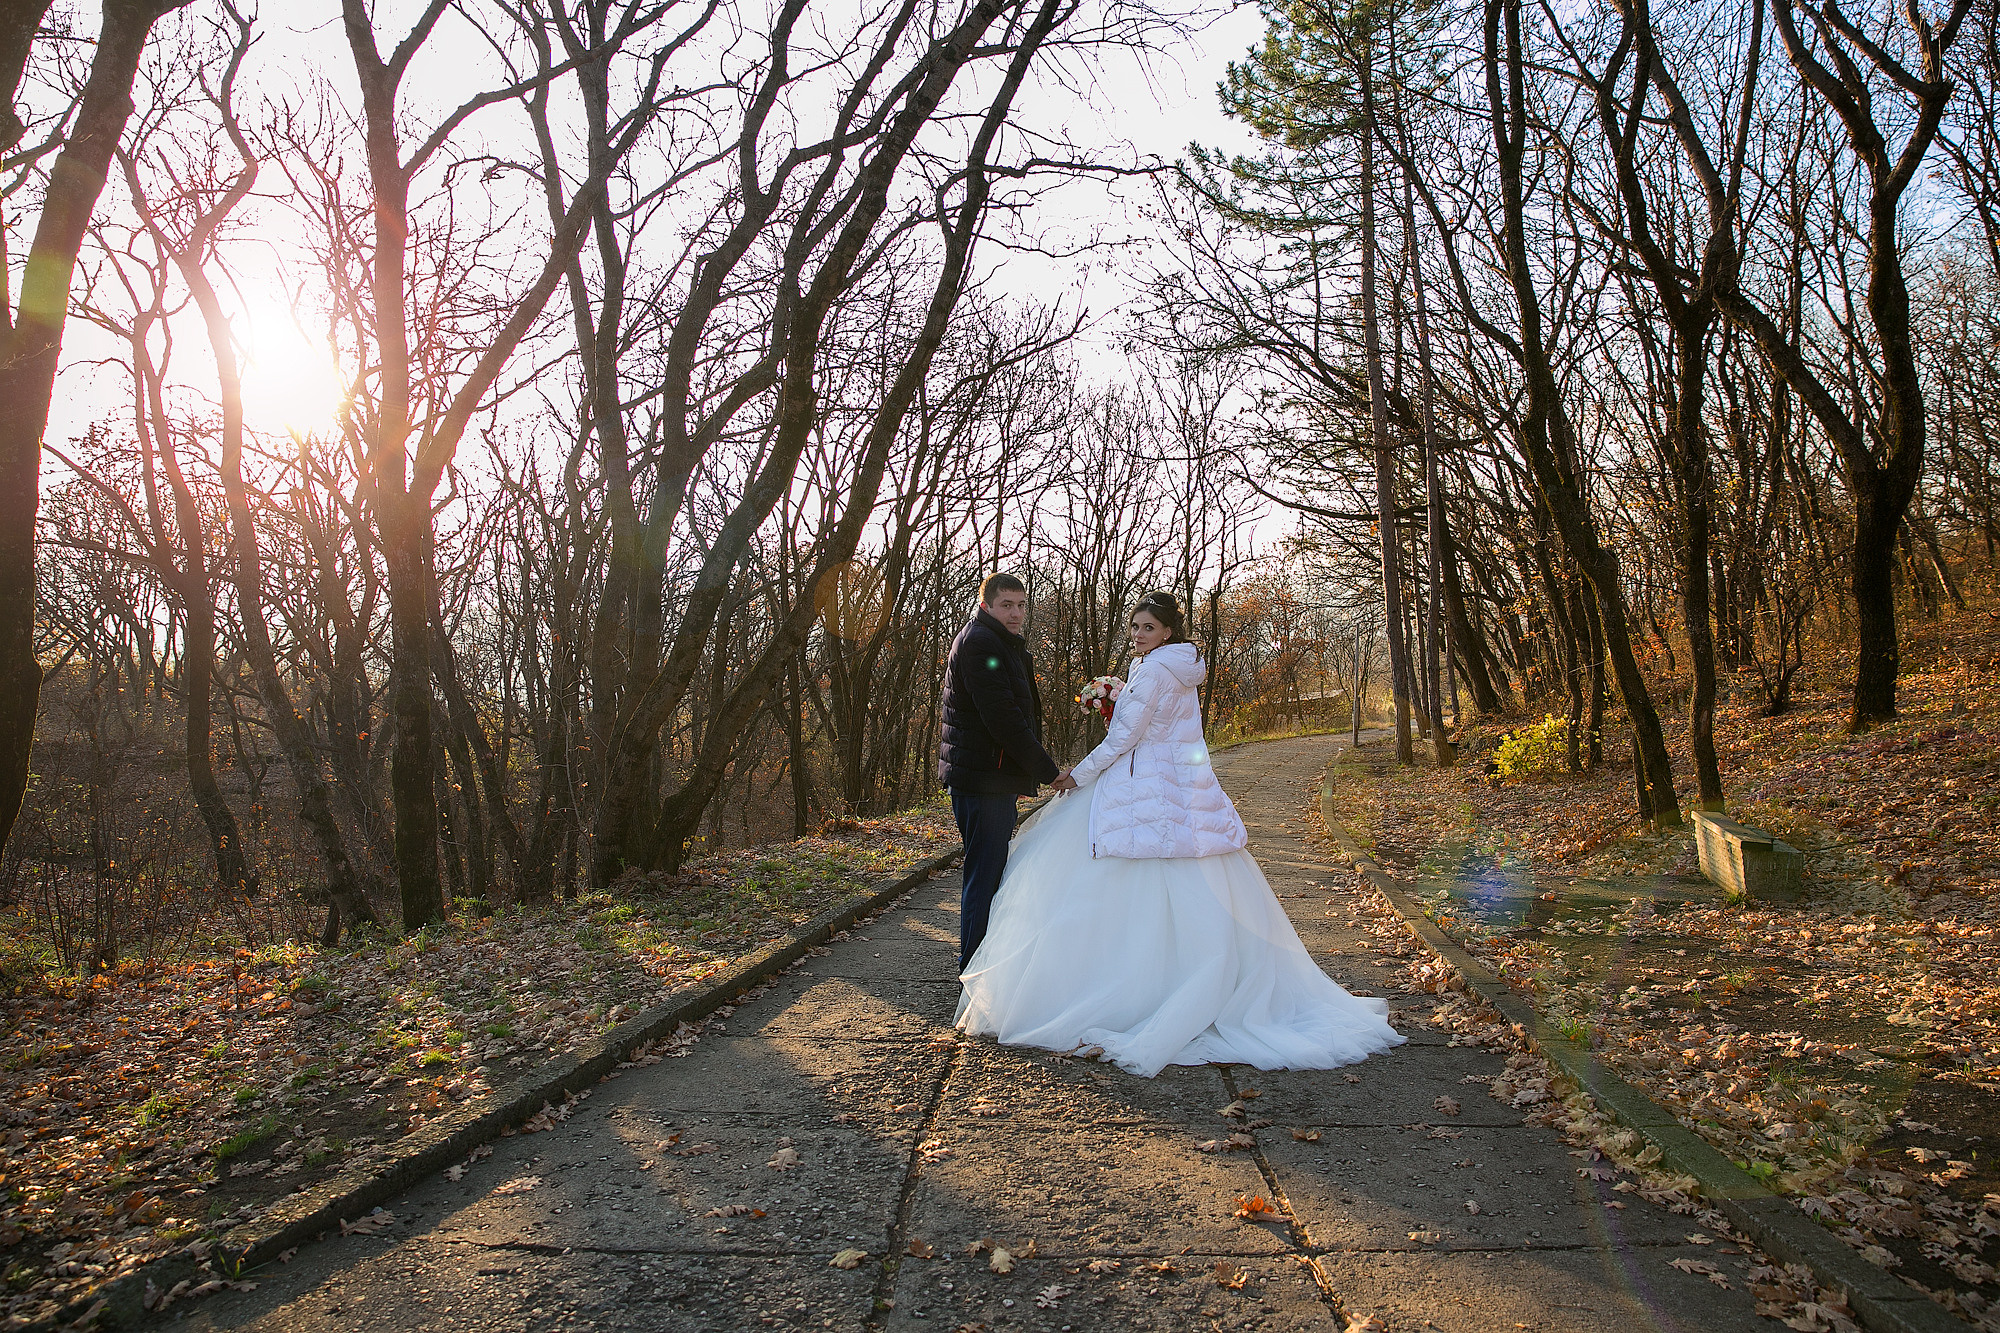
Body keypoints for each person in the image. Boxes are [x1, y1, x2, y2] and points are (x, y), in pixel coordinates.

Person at [956, 591, 1405, 1077]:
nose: (1138, 636)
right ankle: (1197, 983)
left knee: (1110, 874)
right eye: (1134, 629)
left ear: (1167, 631)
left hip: (1141, 784)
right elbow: (1163, 722)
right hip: (1185, 784)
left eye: (1147, 628)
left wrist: (1076, 775)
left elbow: (1124, 739)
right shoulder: (1184, 665)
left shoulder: (1151, 670)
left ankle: (1137, 994)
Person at [939, 574, 1072, 971]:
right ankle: (972, 969)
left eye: (1020, 605)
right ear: (986, 606)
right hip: (982, 780)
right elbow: (1005, 721)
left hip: (989, 776)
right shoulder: (981, 643)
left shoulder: (999, 641)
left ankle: (978, 964)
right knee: (984, 874)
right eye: (1006, 606)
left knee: (988, 870)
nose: (1015, 614)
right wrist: (1048, 772)